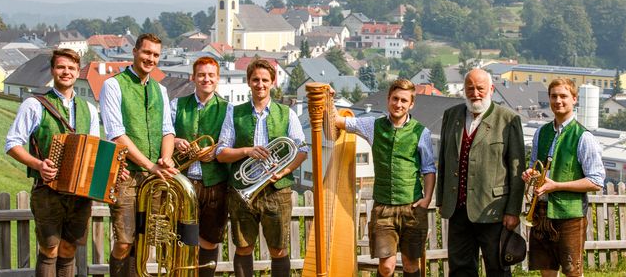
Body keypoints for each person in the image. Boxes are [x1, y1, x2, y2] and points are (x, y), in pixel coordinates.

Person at [5, 49, 101, 277]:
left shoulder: (89, 109)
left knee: (68, 249)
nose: (66, 72)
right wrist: (39, 165)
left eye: (71, 68)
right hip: (47, 190)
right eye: (61, 67)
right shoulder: (34, 104)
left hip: (80, 194)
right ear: (52, 71)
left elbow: (96, 149)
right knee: (49, 249)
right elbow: (12, 144)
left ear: (78, 72)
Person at [333, 78, 435, 277]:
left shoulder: (421, 132)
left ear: (411, 104)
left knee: (410, 264)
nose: (399, 104)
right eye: (395, 99)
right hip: (383, 207)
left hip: (412, 207)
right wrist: (328, 98)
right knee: (386, 267)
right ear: (388, 99)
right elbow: (338, 121)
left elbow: (428, 168)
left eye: (404, 101)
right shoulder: (372, 125)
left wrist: (427, 198)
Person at [216, 58, 308, 277]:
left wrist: (284, 171)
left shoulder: (288, 113)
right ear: (249, 82)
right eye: (255, 79)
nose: (260, 84)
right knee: (243, 247)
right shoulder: (234, 112)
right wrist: (247, 151)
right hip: (242, 190)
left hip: (277, 191)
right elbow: (220, 153)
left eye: (265, 80)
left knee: (278, 249)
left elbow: (302, 150)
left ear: (273, 82)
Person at [100, 33, 178, 277]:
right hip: (126, 176)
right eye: (146, 53)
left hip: (154, 178)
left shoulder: (161, 90)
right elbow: (117, 135)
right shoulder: (113, 85)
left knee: (144, 242)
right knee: (124, 241)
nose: (150, 59)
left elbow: (168, 131)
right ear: (134, 52)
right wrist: (150, 166)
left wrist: (165, 159)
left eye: (155, 55)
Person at [436, 68, 525, 277]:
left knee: (497, 269)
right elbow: (443, 160)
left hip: (493, 212)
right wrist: (442, 199)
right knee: (459, 269)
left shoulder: (508, 119)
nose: (475, 93)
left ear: (491, 89)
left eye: (480, 88)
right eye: (470, 88)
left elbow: (516, 169)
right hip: (458, 210)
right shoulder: (451, 116)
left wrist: (513, 211)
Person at [522, 78, 604, 277]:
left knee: (572, 272)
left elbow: (596, 181)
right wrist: (531, 174)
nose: (558, 100)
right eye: (553, 96)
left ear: (574, 99)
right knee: (547, 271)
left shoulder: (584, 137)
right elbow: (537, 166)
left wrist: (556, 186)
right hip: (541, 211)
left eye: (563, 96)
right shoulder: (541, 132)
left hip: (570, 215)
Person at [170, 56, 230, 276]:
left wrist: (214, 151)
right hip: (183, 181)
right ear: (192, 77)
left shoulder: (228, 109)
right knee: (181, 238)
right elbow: (165, 136)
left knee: (209, 240)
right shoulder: (177, 104)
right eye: (202, 75)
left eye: (211, 75)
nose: (206, 79)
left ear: (217, 79)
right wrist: (176, 142)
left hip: (214, 183)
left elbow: (228, 143)